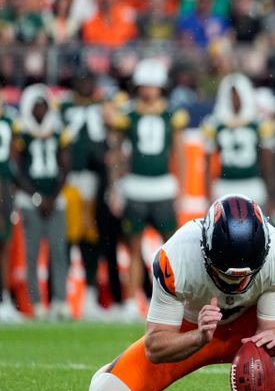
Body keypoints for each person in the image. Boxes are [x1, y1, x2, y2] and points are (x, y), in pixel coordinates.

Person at [85, 195, 275, 391]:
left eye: (245, 276)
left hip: (247, 332)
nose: (235, 285)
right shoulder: (176, 257)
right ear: (204, 250)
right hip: (191, 333)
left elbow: (273, 326)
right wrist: (199, 337)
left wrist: (273, 338)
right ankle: (113, 369)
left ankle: (273, 382)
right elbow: (156, 346)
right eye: (225, 276)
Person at [107, 58, 188, 320]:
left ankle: (176, 300)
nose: (148, 90)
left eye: (153, 85)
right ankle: (132, 301)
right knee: (133, 248)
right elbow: (117, 155)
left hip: (163, 187)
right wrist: (115, 187)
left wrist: (182, 189)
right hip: (136, 187)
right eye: (145, 85)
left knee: (173, 250)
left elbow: (179, 154)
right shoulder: (128, 115)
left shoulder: (171, 115)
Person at [13, 84, 72, 321]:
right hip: (30, 201)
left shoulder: (58, 131)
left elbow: (65, 165)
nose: (40, 110)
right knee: (32, 254)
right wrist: (37, 196)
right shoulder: (22, 133)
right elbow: (16, 168)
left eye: (43, 105)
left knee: (59, 253)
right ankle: (36, 304)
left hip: (55, 201)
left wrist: (53, 195)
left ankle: (60, 302)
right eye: (36, 106)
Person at [61, 68, 108, 320]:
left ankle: (89, 295)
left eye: (89, 80)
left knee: (92, 239)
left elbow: (110, 143)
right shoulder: (65, 108)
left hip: (95, 181)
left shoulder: (104, 107)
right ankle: (65, 297)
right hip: (69, 181)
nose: (86, 85)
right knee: (69, 238)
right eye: (82, 80)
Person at [202, 73, 275, 211]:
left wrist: (271, 195)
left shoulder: (259, 125)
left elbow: (267, 164)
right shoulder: (215, 125)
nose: (234, 99)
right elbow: (207, 164)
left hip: (253, 185)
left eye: (237, 95)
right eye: (231, 95)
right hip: (224, 187)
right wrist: (207, 195)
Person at [0, 94, 21, 322]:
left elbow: (16, 155)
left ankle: (4, 297)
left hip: (4, 187)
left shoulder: (10, 121)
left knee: (5, 243)